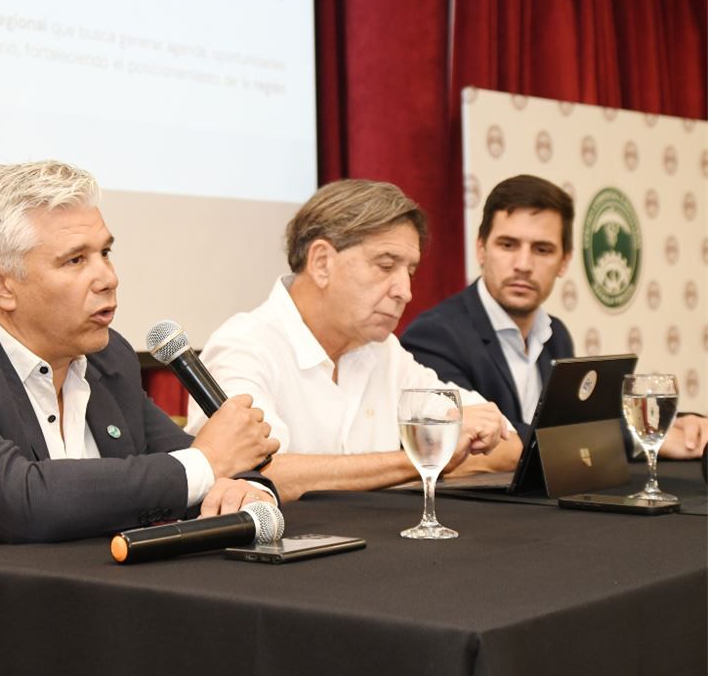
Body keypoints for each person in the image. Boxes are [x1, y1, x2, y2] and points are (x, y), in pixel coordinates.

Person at [0, 161, 279, 676]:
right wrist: (207, 462)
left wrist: (245, 487)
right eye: (75, 260)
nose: (108, 278)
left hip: (75, 644)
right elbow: (23, 501)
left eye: (106, 252)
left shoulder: (108, 360)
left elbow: (204, 465)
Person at [185, 179, 521, 502]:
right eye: (385, 266)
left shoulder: (385, 352)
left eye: (410, 272)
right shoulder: (243, 346)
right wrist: (420, 459)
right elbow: (259, 475)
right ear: (321, 263)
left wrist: (446, 447)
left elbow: (506, 443)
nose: (405, 292)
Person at [401, 174, 707, 459]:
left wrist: (671, 424)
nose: (523, 264)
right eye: (508, 245)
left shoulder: (555, 334)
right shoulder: (436, 336)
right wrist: (637, 438)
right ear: (481, 249)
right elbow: (480, 440)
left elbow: (579, 423)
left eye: (542, 249)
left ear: (564, 261)